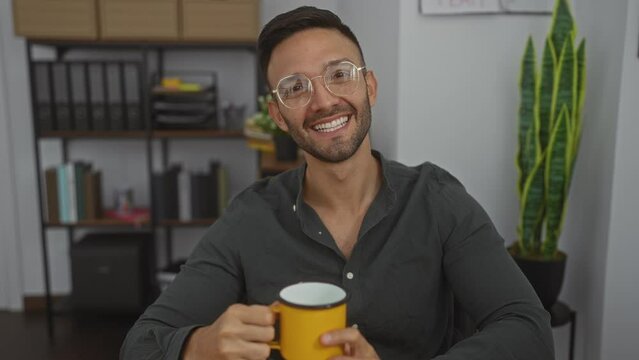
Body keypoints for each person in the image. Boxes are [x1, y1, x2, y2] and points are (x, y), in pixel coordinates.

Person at [121, 6, 554, 360]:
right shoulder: (249, 217)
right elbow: (140, 345)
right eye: (295, 88)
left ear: (369, 85)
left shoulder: (438, 200)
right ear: (277, 115)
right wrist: (197, 347)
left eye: (340, 74)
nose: (324, 100)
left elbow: (528, 330)